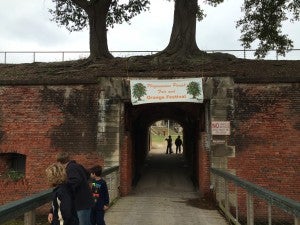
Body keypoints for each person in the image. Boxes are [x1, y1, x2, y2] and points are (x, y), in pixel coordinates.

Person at [49, 152, 94, 225]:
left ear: (59, 162)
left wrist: (63, 185)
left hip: (80, 203)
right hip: (85, 201)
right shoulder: (78, 166)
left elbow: (76, 181)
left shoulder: (70, 168)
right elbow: (88, 175)